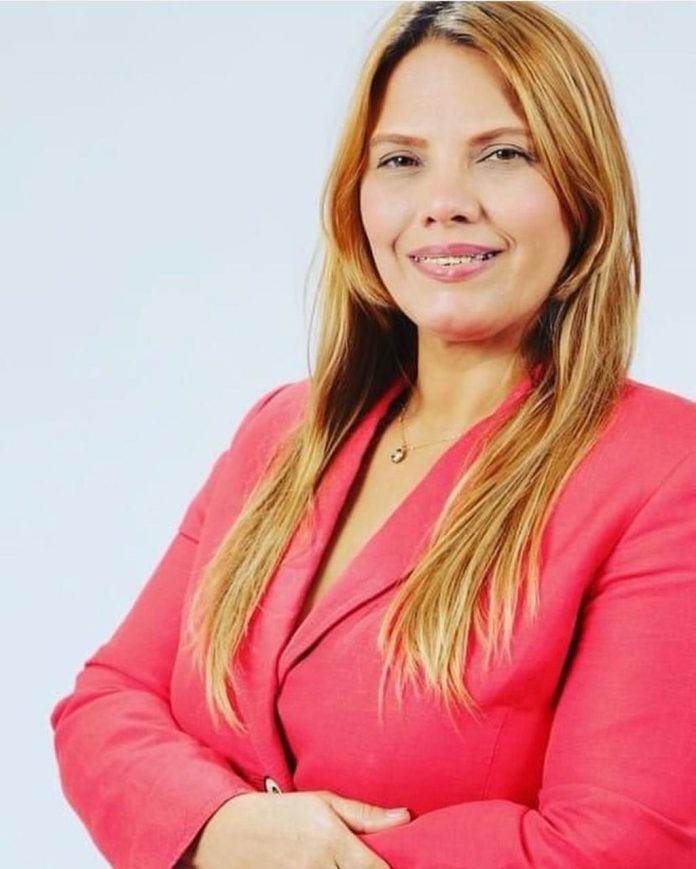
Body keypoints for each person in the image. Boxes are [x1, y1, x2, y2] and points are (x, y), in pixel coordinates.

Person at [50, 2, 696, 867]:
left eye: (503, 154)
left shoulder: (666, 470)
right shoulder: (282, 432)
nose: (444, 204)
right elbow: (106, 702)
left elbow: (615, 846)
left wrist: (322, 856)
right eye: (401, 160)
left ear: (583, 193)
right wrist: (219, 826)